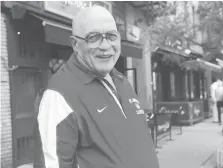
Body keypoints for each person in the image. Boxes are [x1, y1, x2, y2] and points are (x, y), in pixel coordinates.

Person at [35, 6, 159, 168]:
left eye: (111, 36)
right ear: (75, 44)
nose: (106, 45)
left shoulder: (120, 80)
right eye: (93, 37)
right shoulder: (60, 94)